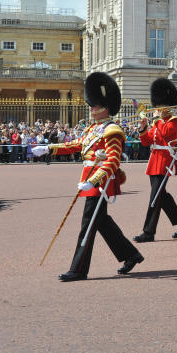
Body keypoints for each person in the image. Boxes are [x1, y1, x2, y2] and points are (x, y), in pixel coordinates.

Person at [33, 72, 144, 281]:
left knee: (88, 224)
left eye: (95, 105)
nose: (91, 108)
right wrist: (49, 148)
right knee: (101, 222)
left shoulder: (112, 130)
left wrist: (92, 181)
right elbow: (74, 145)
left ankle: (78, 269)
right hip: (89, 180)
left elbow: (112, 161)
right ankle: (131, 254)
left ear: (105, 106)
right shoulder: (93, 128)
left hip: (99, 182)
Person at [134, 78, 177, 243]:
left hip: (165, 161)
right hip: (155, 161)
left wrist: (156, 120)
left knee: (155, 196)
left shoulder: (174, 121)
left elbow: (166, 134)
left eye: (160, 105)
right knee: (161, 196)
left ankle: (148, 232)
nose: (157, 108)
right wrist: (143, 128)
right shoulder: (156, 122)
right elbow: (147, 141)